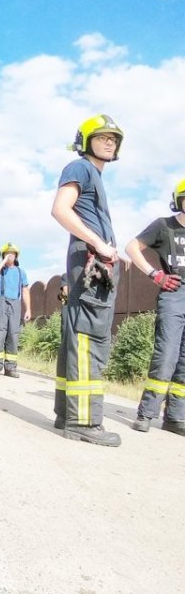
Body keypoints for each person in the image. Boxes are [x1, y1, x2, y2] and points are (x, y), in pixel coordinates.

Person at [50, 114, 125, 446]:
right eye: (102, 136)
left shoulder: (94, 175)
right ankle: (83, 421)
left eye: (114, 138)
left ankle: (66, 413)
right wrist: (98, 243)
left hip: (89, 262)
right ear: (85, 140)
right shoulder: (80, 167)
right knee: (88, 336)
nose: (109, 141)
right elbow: (60, 209)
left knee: (76, 334)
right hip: (92, 261)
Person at [123, 177, 185, 435]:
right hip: (174, 294)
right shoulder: (164, 226)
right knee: (166, 355)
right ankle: (147, 413)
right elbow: (131, 247)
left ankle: (175, 417)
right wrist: (155, 274)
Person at [0, 242, 30, 377]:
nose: (10, 255)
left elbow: (25, 291)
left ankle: (11, 368)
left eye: (12, 254)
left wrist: (28, 309)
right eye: (7, 253)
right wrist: (4, 260)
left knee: (13, 334)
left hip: (14, 304)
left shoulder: (21, 272)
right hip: (0, 301)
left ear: (17, 256)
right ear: (3, 255)